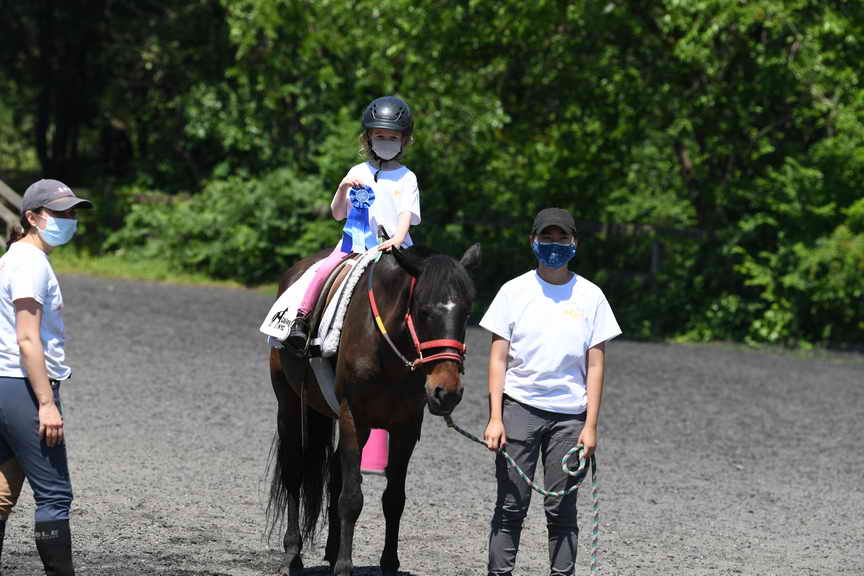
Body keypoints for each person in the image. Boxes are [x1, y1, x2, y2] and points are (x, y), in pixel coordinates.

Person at [480, 207, 621, 576]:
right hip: (519, 408)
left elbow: (596, 366)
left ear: (574, 243)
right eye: (547, 237)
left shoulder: (591, 296)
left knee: (561, 509)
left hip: (570, 417)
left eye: (562, 238)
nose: (554, 245)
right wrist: (495, 418)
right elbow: (497, 359)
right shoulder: (513, 292)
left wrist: (590, 426)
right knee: (511, 504)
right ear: (533, 241)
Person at [0, 179, 92, 576]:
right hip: (22, 387)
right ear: (32, 217)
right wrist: (46, 402)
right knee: (54, 495)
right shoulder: (30, 263)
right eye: (59, 212)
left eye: (72, 212)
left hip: (5, 384)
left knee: (3, 491)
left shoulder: (13, 257)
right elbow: (27, 339)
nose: (68, 219)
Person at [284, 95, 421, 349]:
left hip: (395, 246)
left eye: (392, 137)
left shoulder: (407, 178)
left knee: (425, 283)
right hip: (355, 244)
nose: (386, 141)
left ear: (404, 140)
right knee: (324, 269)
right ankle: (302, 320)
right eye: (380, 136)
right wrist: (342, 187)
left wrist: (397, 239)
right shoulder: (357, 171)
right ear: (368, 138)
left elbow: (406, 213)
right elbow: (338, 214)